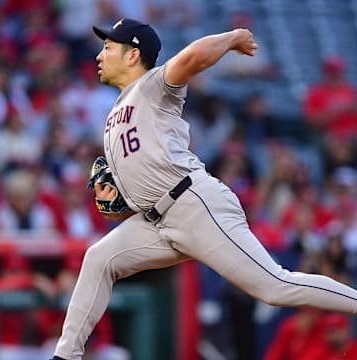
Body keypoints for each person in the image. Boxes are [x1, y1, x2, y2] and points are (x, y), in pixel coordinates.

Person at [50, 19, 357, 360]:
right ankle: (65, 356)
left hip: (193, 204)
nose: (99, 55)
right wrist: (117, 202)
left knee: (274, 286)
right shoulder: (113, 119)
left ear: (133, 55)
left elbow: (193, 56)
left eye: (108, 48)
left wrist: (232, 38)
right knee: (99, 259)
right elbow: (132, 195)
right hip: (157, 220)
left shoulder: (151, 85)